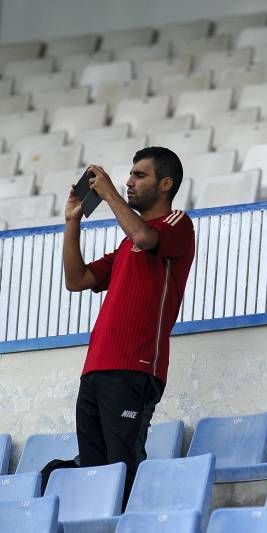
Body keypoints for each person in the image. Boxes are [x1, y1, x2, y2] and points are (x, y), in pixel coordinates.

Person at [60, 146, 194, 502]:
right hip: (95, 370)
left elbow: (146, 238)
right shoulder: (125, 246)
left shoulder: (177, 223)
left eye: (140, 175)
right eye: (130, 175)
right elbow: (77, 279)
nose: (130, 182)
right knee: (94, 474)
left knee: (124, 470)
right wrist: (73, 221)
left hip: (134, 369)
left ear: (165, 184)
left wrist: (110, 195)